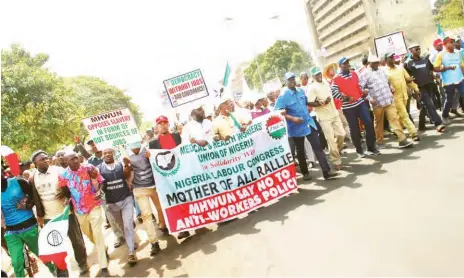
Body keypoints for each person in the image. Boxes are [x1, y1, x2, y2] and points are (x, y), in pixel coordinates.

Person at [29, 150, 89, 275]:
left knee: (76, 241)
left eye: (47, 158)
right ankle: (62, 272)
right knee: (55, 246)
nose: (46, 160)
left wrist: (68, 197)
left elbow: (72, 187)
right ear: (35, 162)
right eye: (42, 159)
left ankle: (82, 263)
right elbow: (34, 197)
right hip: (48, 217)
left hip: (66, 213)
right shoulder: (32, 177)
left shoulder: (59, 171)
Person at [275, 72, 338, 181]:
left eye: (293, 79)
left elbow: (308, 103)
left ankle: (326, 172)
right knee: (300, 151)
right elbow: (278, 112)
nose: (292, 81)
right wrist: (291, 118)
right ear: (286, 82)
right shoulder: (283, 96)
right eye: (289, 80)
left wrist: (320, 102)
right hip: (295, 128)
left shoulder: (300, 91)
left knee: (317, 147)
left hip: (308, 123)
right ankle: (305, 173)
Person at [57, 151, 111, 277]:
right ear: (66, 162)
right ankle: (104, 247)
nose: (75, 161)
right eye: (71, 159)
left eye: (76, 158)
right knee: (88, 234)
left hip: (94, 206)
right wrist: (66, 200)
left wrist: (100, 192)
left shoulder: (89, 168)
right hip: (79, 210)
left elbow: (101, 181)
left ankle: (103, 267)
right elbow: (66, 192)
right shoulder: (63, 175)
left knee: (98, 234)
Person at [1, 168, 58, 277]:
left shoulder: (18, 182)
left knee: (42, 254)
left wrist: (27, 203)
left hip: (29, 227)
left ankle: (55, 271)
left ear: (2, 173)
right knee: (16, 262)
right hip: (10, 232)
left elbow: (33, 196)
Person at [148, 116, 191, 239]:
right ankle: (183, 228)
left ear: (168, 124)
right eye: (160, 124)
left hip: (182, 173)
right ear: (157, 127)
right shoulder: (153, 143)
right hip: (167, 177)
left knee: (188, 196)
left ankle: (194, 222)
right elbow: (154, 161)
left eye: (165, 123)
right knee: (176, 201)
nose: (163, 125)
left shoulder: (177, 136)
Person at [360, 55, 413, 149]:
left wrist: (391, 87)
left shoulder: (381, 70)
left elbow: (387, 82)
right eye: (375, 62)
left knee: (394, 119)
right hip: (377, 102)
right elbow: (361, 88)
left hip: (388, 99)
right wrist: (369, 98)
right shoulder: (364, 74)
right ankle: (379, 141)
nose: (377, 64)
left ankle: (402, 139)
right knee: (379, 123)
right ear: (369, 63)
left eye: (377, 62)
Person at [331, 57, 379, 157]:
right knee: (354, 129)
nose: (347, 64)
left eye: (348, 62)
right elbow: (333, 92)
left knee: (368, 123)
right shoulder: (336, 78)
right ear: (340, 66)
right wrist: (346, 98)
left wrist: (364, 91)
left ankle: (371, 148)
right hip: (348, 108)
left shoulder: (354, 74)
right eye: (344, 63)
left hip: (360, 103)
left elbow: (359, 86)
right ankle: (359, 150)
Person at [97, 148, 137, 266]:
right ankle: (131, 241)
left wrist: (129, 179)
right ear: (102, 155)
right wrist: (98, 189)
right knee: (121, 226)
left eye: (110, 152)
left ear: (113, 154)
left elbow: (129, 174)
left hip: (126, 200)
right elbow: (97, 184)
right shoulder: (99, 169)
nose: (108, 154)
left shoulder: (120, 164)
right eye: (105, 153)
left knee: (127, 224)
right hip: (111, 204)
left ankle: (131, 253)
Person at [126, 141, 163, 256]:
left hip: (154, 186)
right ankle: (154, 242)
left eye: (137, 147)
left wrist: (151, 158)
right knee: (146, 215)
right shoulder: (127, 158)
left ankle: (163, 225)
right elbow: (127, 176)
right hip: (140, 189)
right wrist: (126, 167)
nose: (136, 150)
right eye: (133, 148)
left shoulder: (149, 151)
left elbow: (160, 163)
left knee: (160, 208)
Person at [307, 67, 346, 170]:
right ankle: (336, 160)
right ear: (313, 76)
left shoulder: (326, 83)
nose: (319, 76)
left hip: (334, 113)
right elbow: (309, 102)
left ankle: (335, 151)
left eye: (320, 73)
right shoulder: (312, 87)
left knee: (342, 134)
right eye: (316, 75)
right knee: (331, 140)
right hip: (324, 117)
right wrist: (322, 103)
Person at [405, 44, 446, 132]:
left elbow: (432, 69)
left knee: (427, 105)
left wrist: (439, 74)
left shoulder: (425, 59)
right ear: (411, 51)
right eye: (416, 49)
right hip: (419, 88)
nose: (419, 50)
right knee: (429, 104)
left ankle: (421, 125)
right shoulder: (408, 63)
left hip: (430, 85)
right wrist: (412, 89)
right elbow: (406, 78)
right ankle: (438, 123)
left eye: (419, 48)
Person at [384, 52, 421, 141]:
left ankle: (398, 132)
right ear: (386, 60)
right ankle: (413, 133)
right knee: (404, 115)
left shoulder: (400, 68)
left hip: (405, 95)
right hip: (395, 98)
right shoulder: (384, 72)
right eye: (390, 57)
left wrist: (416, 89)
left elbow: (408, 80)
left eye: (393, 57)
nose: (392, 58)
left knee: (400, 115)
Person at [433, 36, 464, 122]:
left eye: (453, 42)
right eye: (451, 42)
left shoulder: (458, 53)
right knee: (449, 99)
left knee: (462, 95)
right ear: (445, 44)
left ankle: (455, 110)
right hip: (448, 81)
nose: (453, 43)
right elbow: (435, 68)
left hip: (460, 79)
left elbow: (462, 65)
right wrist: (447, 68)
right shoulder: (441, 55)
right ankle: (445, 115)